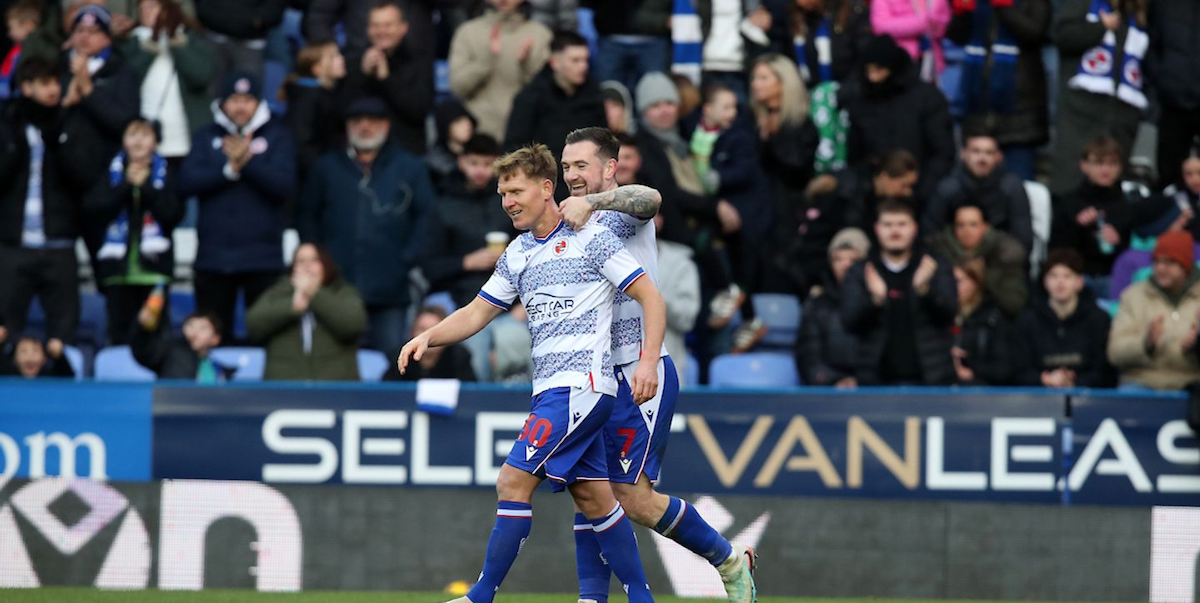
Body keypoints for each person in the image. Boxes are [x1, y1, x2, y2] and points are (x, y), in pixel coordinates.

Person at [398, 143, 664, 603]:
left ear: (546, 188)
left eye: (516, 191)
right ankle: (642, 598)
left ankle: (480, 596)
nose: (508, 202)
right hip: (552, 391)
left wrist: (647, 361)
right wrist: (429, 337)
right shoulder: (519, 252)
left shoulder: (590, 237)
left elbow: (651, 297)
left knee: (512, 481)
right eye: (503, 194)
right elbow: (476, 312)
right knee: (594, 498)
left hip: (580, 387)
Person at [557, 127, 757, 603]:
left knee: (634, 499)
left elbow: (651, 198)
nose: (572, 175)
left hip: (637, 370)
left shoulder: (625, 211)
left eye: (582, 165)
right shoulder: (565, 222)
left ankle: (728, 559)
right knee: (588, 491)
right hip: (591, 376)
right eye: (566, 167)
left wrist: (593, 203)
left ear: (610, 168)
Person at [297, 96, 435, 357]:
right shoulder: (326, 167)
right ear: (347, 126)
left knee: (393, 361)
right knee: (332, 363)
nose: (365, 126)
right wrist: (320, 261)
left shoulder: (410, 167)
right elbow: (307, 215)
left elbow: (427, 218)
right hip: (335, 289)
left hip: (391, 289)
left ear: (386, 125)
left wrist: (406, 259)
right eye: (357, 120)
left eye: (373, 120)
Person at [179, 71, 295, 344]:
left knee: (266, 340)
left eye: (247, 100)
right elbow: (185, 183)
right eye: (233, 100)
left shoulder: (278, 135)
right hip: (214, 259)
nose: (240, 107)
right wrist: (228, 170)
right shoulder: (206, 136)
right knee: (212, 341)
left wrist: (248, 162)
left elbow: (285, 187)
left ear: (258, 102)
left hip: (263, 259)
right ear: (222, 103)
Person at [0, 58, 98, 349]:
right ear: (27, 87)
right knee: (5, 331)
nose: (54, 89)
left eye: (56, 82)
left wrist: (57, 141)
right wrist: (15, 147)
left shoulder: (71, 121)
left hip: (59, 243)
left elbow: (85, 176)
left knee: (62, 336)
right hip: (13, 243)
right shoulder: (6, 122)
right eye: (45, 83)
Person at [690, 81, 773, 352]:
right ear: (707, 109)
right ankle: (748, 317)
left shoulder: (739, 136)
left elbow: (745, 170)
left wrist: (718, 179)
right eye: (725, 107)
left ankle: (746, 314)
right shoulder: (694, 131)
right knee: (715, 253)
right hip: (711, 208)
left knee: (739, 265)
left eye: (734, 107)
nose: (732, 113)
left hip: (742, 213)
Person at [85, 118, 183, 346]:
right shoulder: (110, 172)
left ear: (156, 141)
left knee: (154, 339)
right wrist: (126, 185)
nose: (138, 141)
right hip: (117, 272)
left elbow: (173, 214)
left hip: (154, 273)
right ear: (123, 141)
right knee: (119, 337)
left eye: (145, 135)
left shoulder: (167, 173)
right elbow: (93, 210)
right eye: (132, 135)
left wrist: (146, 187)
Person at [841, 198, 957, 385]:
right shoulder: (861, 271)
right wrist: (875, 300)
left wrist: (925, 291)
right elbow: (849, 322)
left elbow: (949, 314)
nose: (895, 231)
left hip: (930, 379)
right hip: (876, 382)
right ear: (877, 229)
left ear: (914, 228)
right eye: (888, 225)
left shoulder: (935, 266)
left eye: (902, 224)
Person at [773, 149, 919, 296]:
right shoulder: (849, 197)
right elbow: (820, 241)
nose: (908, 192)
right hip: (814, 274)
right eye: (904, 185)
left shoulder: (867, 194)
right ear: (885, 177)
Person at [1049, 0, 1149, 195]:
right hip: (1080, 113)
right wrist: (1100, 27)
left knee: (1111, 190)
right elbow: (1061, 35)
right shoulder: (1082, 3)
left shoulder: (1138, 11)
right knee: (1071, 184)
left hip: (1121, 117)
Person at [841, 35, 955, 202]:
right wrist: (871, 186)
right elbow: (855, 154)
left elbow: (943, 151)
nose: (873, 77)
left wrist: (916, 190)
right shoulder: (862, 100)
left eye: (879, 70)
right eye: (868, 70)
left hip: (919, 191)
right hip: (873, 193)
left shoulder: (926, 98)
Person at [945, 0, 1051, 181]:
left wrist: (1003, 6)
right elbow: (956, 36)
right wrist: (962, 13)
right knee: (973, 189)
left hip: (1019, 114)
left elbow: (1035, 33)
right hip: (978, 110)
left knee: (1018, 187)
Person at [246, 243, 367, 381]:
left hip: (336, 390)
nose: (307, 266)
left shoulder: (343, 292)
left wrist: (314, 294)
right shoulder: (279, 292)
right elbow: (253, 324)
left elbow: (353, 324)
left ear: (326, 264)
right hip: (284, 391)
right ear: (293, 268)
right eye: (301, 261)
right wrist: (291, 307)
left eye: (314, 260)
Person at [1050, 136, 1156, 288]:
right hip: (1076, 277)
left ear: (1120, 167)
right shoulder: (1069, 202)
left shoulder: (1129, 205)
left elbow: (1140, 253)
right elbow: (1055, 251)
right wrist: (1077, 226)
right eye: (1099, 163)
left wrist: (1118, 243)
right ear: (1084, 165)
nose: (1106, 170)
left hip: (1115, 277)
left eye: (1112, 164)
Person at [422, 134, 513, 309]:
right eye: (474, 163)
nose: (480, 171)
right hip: (455, 297)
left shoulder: (510, 201)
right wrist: (466, 262)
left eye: (487, 164)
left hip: (507, 299)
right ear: (461, 162)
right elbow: (429, 266)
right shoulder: (442, 205)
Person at [123, 0, 216, 164]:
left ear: (168, 10)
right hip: (146, 138)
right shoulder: (131, 42)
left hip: (187, 134)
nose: (145, 12)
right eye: (142, 8)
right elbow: (126, 82)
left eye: (152, 7)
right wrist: (150, 47)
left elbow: (201, 77)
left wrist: (176, 44)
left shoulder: (191, 38)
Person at [448, 0, 553, 140]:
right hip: (480, 136)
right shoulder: (467, 32)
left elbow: (549, 92)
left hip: (526, 135)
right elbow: (458, 87)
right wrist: (485, 61)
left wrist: (526, 65)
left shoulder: (540, 34)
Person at [1108, 230, 1200, 390]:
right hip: (1144, 380)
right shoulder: (1133, 296)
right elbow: (1115, 352)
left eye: (1169, 262)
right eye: (1156, 261)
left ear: (1186, 266)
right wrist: (1146, 343)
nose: (1161, 268)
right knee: (1129, 393)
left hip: (1192, 381)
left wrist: (1197, 345)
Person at [340, 0, 433, 156]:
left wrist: (387, 79)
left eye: (388, 25)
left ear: (403, 28)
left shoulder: (419, 60)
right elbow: (340, 112)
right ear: (368, 29)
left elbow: (418, 111)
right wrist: (362, 74)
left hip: (406, 150)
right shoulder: (353, 61)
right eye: (375, 25)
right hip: (358, 151)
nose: (381, 31)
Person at [1014, 248, 1115, 388]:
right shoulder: (1028, 319)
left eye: (1067, 276)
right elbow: (1018, 369)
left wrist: (1076, 381)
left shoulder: (1098, 319)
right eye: (1053, 276)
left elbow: (1104, 371)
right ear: (1045, 281)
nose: (1060, 282)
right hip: (1038, 396)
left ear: (1079, 282)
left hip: (1088, 396)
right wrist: (1044, 379)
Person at [504, 30, 606, 165]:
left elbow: (603, 143)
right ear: (555, 62)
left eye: (585, 60)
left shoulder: (593, 95)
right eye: (575, 60)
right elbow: (515, 148)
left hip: (585, 173)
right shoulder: (531, 97)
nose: (583, 66)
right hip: (543, 173)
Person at [922, 130, 1033, 252]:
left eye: (989, 152)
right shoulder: (948, 188)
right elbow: (929, 233)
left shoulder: (1012, 187)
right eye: (976, 151)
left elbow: (1023, 239)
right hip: (953, 256)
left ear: (998, 157)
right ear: (963, 154)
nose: (982, 158)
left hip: (997, 256)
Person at [60, 5, 141, 157]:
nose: (84, 37)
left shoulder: (122, 70)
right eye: (79, 30)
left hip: (107, 159)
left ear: (107, 37)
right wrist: (66, 103)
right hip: (65, 161)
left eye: (93, 32)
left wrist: (89, 90)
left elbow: (125, 122)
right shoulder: (60, 65)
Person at [927, 202, 1028, 317]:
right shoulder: (939, 251)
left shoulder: (1004, 254)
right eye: (961, 225)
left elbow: (1014, 303)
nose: (967, 230)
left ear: (986, 227)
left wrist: (982, 275)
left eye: (973, 224)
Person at [795, 227, 867, 387]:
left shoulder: (879, 302)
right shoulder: (816, 305)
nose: (845, 265)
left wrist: (863, 382)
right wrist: (833, 380)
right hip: (829, 390)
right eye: (837, 259)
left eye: (853, 259)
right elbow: (808, 355)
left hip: (875, 390)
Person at [1149, 0, 1200, 190]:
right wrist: (1162, 80)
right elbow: (1152, 45)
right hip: (1171, 99)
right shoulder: (1164, 4)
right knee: (1169, 173)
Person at [283, 42, 347, 182]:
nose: (342, 59)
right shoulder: (307, 99)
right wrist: (325, 175)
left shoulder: (326, 95)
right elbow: (302, 144)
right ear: (317, 69)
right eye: (333, 57)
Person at [194, 0, 286, 92]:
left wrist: (259, 19)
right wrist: (208, 15)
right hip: (214, 35)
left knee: (247, 91)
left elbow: (276, 5)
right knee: (210, 88)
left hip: (251, 40)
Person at [774, 0, 871, 86]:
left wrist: (843, 92)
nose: (800, 2)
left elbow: (862, 57)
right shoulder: (797, 16)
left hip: (848, 88)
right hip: (809, 89)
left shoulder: (851, 11)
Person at [585, 0, 671, 96]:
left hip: (654, 38)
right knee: (607, 93)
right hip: (610, 35)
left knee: (657, 93)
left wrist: (663, 20)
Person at [951, 259, 1015, 385]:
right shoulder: (941, 312)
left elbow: (1003, 368)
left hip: (982, 391)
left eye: (958, 281)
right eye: (950, 280)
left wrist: (971, 367)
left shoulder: (993, 318)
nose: (952, 286)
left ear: (975, 282)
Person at [384, 305, 476, 381]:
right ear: (412, 332)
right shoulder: (400, 357)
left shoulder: (459, 358)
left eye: (433, 330)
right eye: (422, 329)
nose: (427, 337)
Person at [871, 0, 951, 83]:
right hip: (901, 60)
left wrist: (934, 26)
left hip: (931, 58)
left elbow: (944, 24)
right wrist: (922, 24)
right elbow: (881, 27)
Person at [427, 99, 477, 185]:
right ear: (445, 126)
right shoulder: (434, 164)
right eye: (458, 121)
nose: (467, 124)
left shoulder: (483, 152)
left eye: (468, 119)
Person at [1, 0, 41, 99]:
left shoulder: (28, 52)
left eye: (11, 28)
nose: (9, 34)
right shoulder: (16, 49)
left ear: (28, 25)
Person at [0, 334, 74, 378]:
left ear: (44, 358)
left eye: (35, 351)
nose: (29, 358)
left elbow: (67, 379)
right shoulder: (7, 377)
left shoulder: (51, 377)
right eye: (23, 351)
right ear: (14, 359)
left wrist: (60, 357)